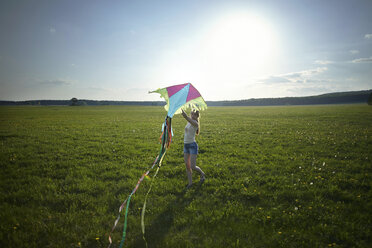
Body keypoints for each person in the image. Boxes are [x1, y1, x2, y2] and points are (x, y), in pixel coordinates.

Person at [181, 109, 206, 189]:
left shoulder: (195, 123)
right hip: (186, 145)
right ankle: (190, 183)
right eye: (191, 114)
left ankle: (202, 173)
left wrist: (186, 116)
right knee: (187, 166)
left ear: (197, 116)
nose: (192, 116)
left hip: (192, 146)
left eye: (194, 115)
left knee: (192, 166)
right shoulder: (189, 121)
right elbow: (188, 119)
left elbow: (187, 118)